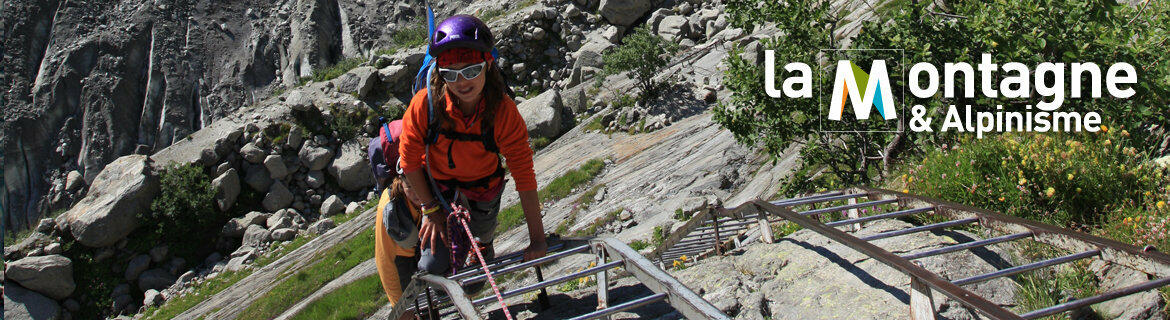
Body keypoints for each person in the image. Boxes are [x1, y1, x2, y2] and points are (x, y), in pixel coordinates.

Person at [398, 14, 547, 275]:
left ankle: (484, 245)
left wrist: (538, 240)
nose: (462, 82)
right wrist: (431, 210)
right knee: (432, 266)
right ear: (440, 73)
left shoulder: (503, 112)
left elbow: (523, 173)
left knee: (478, 266)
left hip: (483, 193)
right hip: (440, 193)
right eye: (450, 74)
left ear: (488, 64)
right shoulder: (424, 105)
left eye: (471, 71)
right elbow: (409, 159)